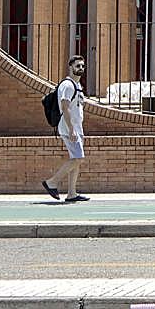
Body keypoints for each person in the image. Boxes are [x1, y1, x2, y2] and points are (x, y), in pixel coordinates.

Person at [42, 55, 89, 204]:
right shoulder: (68, 85)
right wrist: (71, 129)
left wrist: (78, 129)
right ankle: (52, 183)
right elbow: (65, 106)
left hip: (76, 127)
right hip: (69, 128)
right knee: (78, 158)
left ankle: (71, 193)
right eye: (77, 66)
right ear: (71, 67)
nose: (80, 68)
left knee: (76, 159)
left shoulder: (77, 86)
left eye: (82, 66)